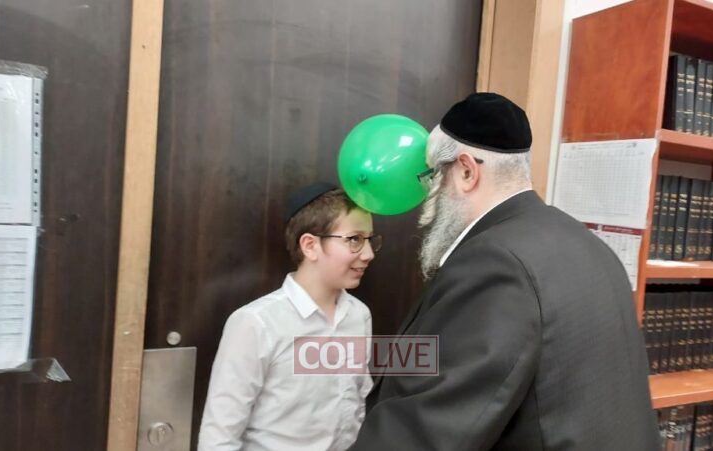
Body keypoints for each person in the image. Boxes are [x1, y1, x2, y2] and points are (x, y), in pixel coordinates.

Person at [350, 93, 659, 450]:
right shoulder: (588, 243)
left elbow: (430, 429)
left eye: (434, 176)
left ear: (466, 171)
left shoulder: (494, 264)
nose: (431, 194)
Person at [199, 182, 381, 451]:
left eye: (369, 240)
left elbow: (357, 400)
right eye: (354, 239)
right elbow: (219, 436)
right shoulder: (256, 323)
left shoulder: (358, 315)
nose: (368, 254)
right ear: (310, 246)